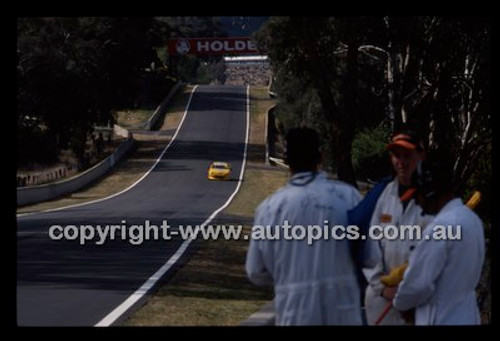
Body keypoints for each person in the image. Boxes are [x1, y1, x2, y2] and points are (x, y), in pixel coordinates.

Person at [245, 127, 367, 325]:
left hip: (295, 313)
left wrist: (290, 276)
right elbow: (370, 257)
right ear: (321, 156)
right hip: (343, 313)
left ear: (286, 160)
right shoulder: (349, 197)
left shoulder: (270, 208)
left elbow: (255, 271)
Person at [350, 127, 434, 325]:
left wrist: (411, 293)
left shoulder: (434, 199)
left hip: (419, 305)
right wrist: (383, 286)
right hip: (382, 302)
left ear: (421, 155)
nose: (401, 162)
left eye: (407, 155)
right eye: (396, 155)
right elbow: (371, 249)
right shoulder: (384, 195)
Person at [392, 155, 485, 325]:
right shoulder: (473, 221)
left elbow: (418, 284)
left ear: (428, 191)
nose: (418, 204)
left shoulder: (440, 227)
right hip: (468, 316)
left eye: (417, 196)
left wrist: (400, 303)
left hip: (441, 318)